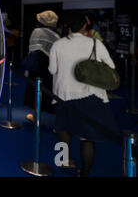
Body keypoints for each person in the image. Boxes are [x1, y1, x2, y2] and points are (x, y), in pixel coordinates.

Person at [48, 12, 119, 176]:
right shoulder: (95, 44)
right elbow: (111, 66)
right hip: (91, 95)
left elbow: (52, 70)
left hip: (63, 94)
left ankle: (64, 161)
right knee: (86, 138)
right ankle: (85, 173)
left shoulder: (58, 44)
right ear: (85, 26)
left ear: (68, 27)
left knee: (63, 130)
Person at [23, 10, 60, 122]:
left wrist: (27, 68)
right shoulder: (56, 35)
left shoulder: (37, 31)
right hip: (51, 67)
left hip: (38, 67)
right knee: (49, 91)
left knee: (36, 91)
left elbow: (32, 50)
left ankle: (35, 116)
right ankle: (57, 121)